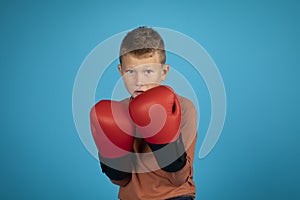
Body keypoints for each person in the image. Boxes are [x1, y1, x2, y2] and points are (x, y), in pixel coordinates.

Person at [90, 26, 198, 200]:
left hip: (174, 197)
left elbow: (179, 179)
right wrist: (112, 159)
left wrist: (163, 136)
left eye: (148, 71)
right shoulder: (118, 113)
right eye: (131, 72)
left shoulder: (182, 107)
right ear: (120, 71)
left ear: (164, 72)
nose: (139, 81)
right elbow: (120, 181)